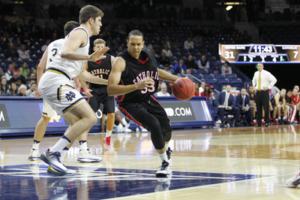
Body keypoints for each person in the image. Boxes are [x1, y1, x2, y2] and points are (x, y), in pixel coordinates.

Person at [38, 6, 110, 176]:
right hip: (56, 80)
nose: (101, 25)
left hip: (55, 81)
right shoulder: (81, 31)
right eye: (99, 20)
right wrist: (89, 57)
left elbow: (80, 73)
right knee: (91, 117)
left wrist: (107, 82)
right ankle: (53, 153)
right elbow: (65, 52)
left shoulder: (84, 39)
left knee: (77, 122)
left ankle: (57, 161)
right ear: (91, 20)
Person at [107, 30, 179, 177]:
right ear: (127, 43)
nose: (135, 47)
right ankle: (164, 162)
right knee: (153, 124)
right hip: (129, 102)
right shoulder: (120, 61)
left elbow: (156, 71)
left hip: (148, 98)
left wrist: (175, 79)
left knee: (166, 128)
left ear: (143, 44)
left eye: (138, 44)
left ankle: (165, 152)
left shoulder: (148, 56)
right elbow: (110, 89)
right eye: (132, 44)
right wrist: (136, 86)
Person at [80, 38, 115, 149]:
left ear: (105, 48)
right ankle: (84, 141)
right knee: (90, 116)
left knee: (111, 114)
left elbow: (118, 72)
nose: (100, 48)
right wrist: (85, 89)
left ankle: (108, 136)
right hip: (94, 90)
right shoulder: (88, 60)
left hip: (107, 89)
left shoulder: (111, 59)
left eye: (102, 46)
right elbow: (81, 75)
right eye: (98, 47)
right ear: (94, 48)